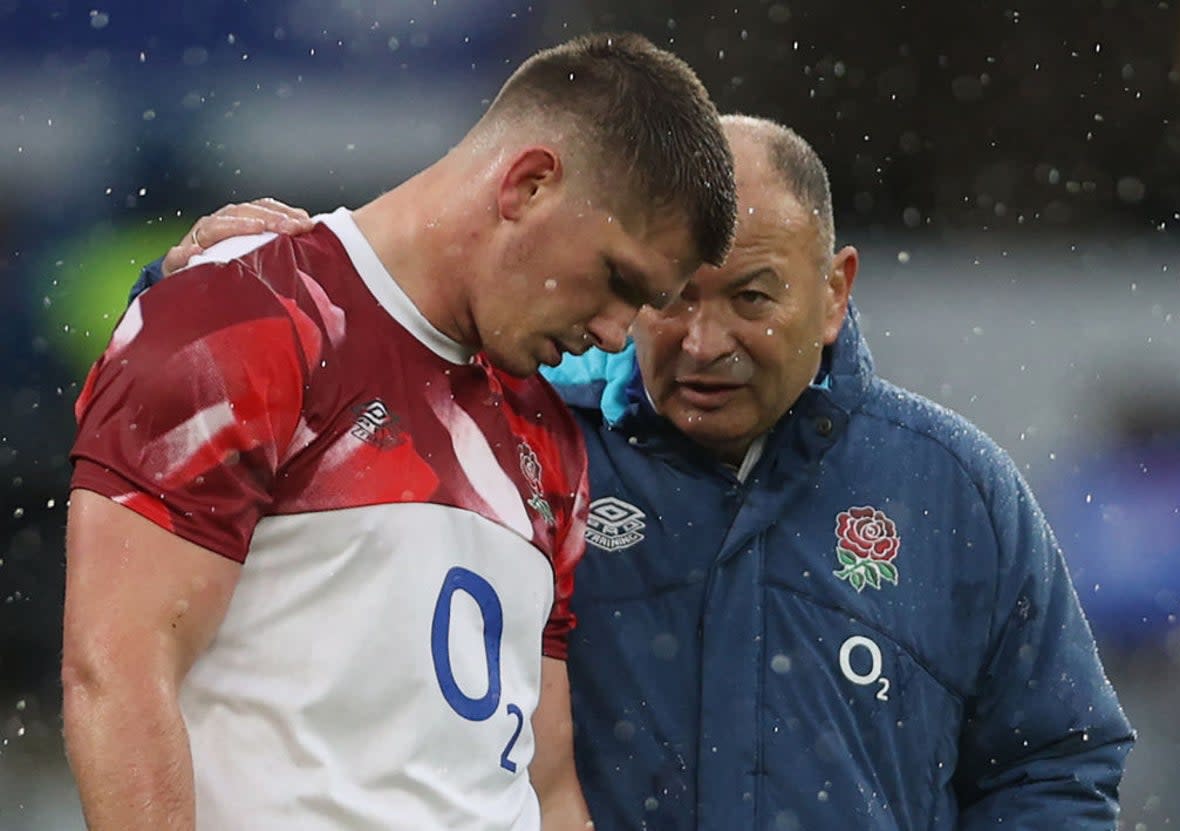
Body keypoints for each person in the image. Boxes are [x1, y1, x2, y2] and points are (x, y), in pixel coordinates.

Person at [140, 116, 1134, 829]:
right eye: (672, 297)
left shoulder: (954, 489)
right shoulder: (517, 433)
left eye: (753, 297)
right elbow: (304, 391)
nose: (705, 342)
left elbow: (1054, 757)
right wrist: (202, 294)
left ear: (835, 294)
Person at [62, 32, 737, 831]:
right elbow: (118, 671)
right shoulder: (248, 318)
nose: (620, 333)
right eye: (618, 280)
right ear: (528, 184)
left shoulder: (545, 432)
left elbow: (546, 784)